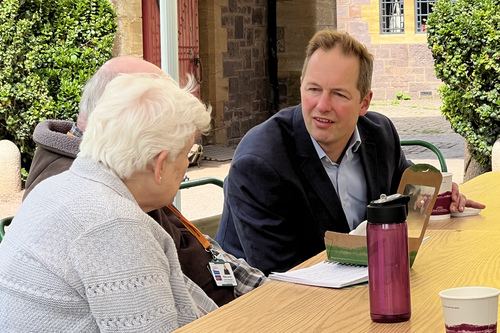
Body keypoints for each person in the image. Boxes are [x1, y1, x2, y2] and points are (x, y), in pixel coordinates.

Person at [215, 30, 485, 275]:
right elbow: (280, 276)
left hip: (363, 285)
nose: (322, 105)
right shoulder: (260, 163)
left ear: (364, 102)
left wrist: (441, 195)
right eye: (313, 89)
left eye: (339, 95)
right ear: (301, 85)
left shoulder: (380, 133)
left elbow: (407, 190)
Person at [22, 56, 268, 307]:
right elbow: (152, 306)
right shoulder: (92, 199)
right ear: (125, 113)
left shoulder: (117, 172)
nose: (186, 163)